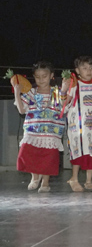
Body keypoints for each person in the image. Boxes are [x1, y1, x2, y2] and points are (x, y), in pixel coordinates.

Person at [14, 61, 65, 193]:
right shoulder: (31, 93)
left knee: (47, 158)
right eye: (38, 76)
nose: (41, 79)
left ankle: (45, 182)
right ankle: (35, 176)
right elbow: (21, 110)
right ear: (34, 77)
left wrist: (65, 89)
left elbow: (64, 108)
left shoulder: (57, 93)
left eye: (44, 76)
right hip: (32, 130)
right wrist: (17, 92)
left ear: (51, 75)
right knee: (28, 152)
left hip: (51, 132)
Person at [64, 56, 92, 192]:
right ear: (77, 70)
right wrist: (64, 91)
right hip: (77, 127)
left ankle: (89, 180)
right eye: (84, 68)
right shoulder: (74, 84)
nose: (88, 71)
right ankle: (74, 178)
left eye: (91, 68)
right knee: (77, 151)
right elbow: (65, 105)